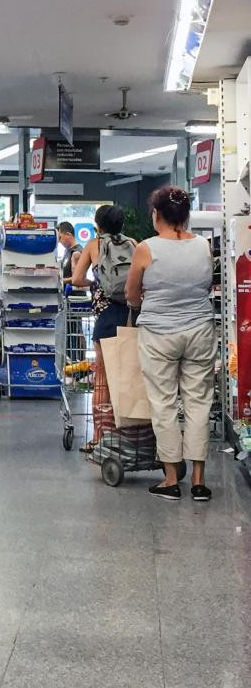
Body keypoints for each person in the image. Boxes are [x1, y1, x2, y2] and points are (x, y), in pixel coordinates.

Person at [125, 186, 216, 502]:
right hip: (200, 331)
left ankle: (171, 479)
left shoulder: (146, 248)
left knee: (163, 403)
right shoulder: (204, 245)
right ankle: (200, 482)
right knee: (198, 401)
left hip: (158, 334)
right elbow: (206, 284)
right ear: (186, 215)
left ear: (157, 214)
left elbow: (131, 293)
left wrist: (147, 304)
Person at [72, 205, 153, 454]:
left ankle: (99, 437)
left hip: (106, 317)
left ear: (98, 225)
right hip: (132, 315)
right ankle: (126, 433)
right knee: (130, 374)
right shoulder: (134, 243)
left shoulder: (94, 246)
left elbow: (76, 279)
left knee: (102, 381)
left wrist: (96, 283)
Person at [58, 221, 83, 286]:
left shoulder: (77, 252)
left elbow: (78, 279)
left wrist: (59, 280)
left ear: (68, 235)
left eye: (60, 238)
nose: (59, 241)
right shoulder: (67, 251)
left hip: (75, 294)